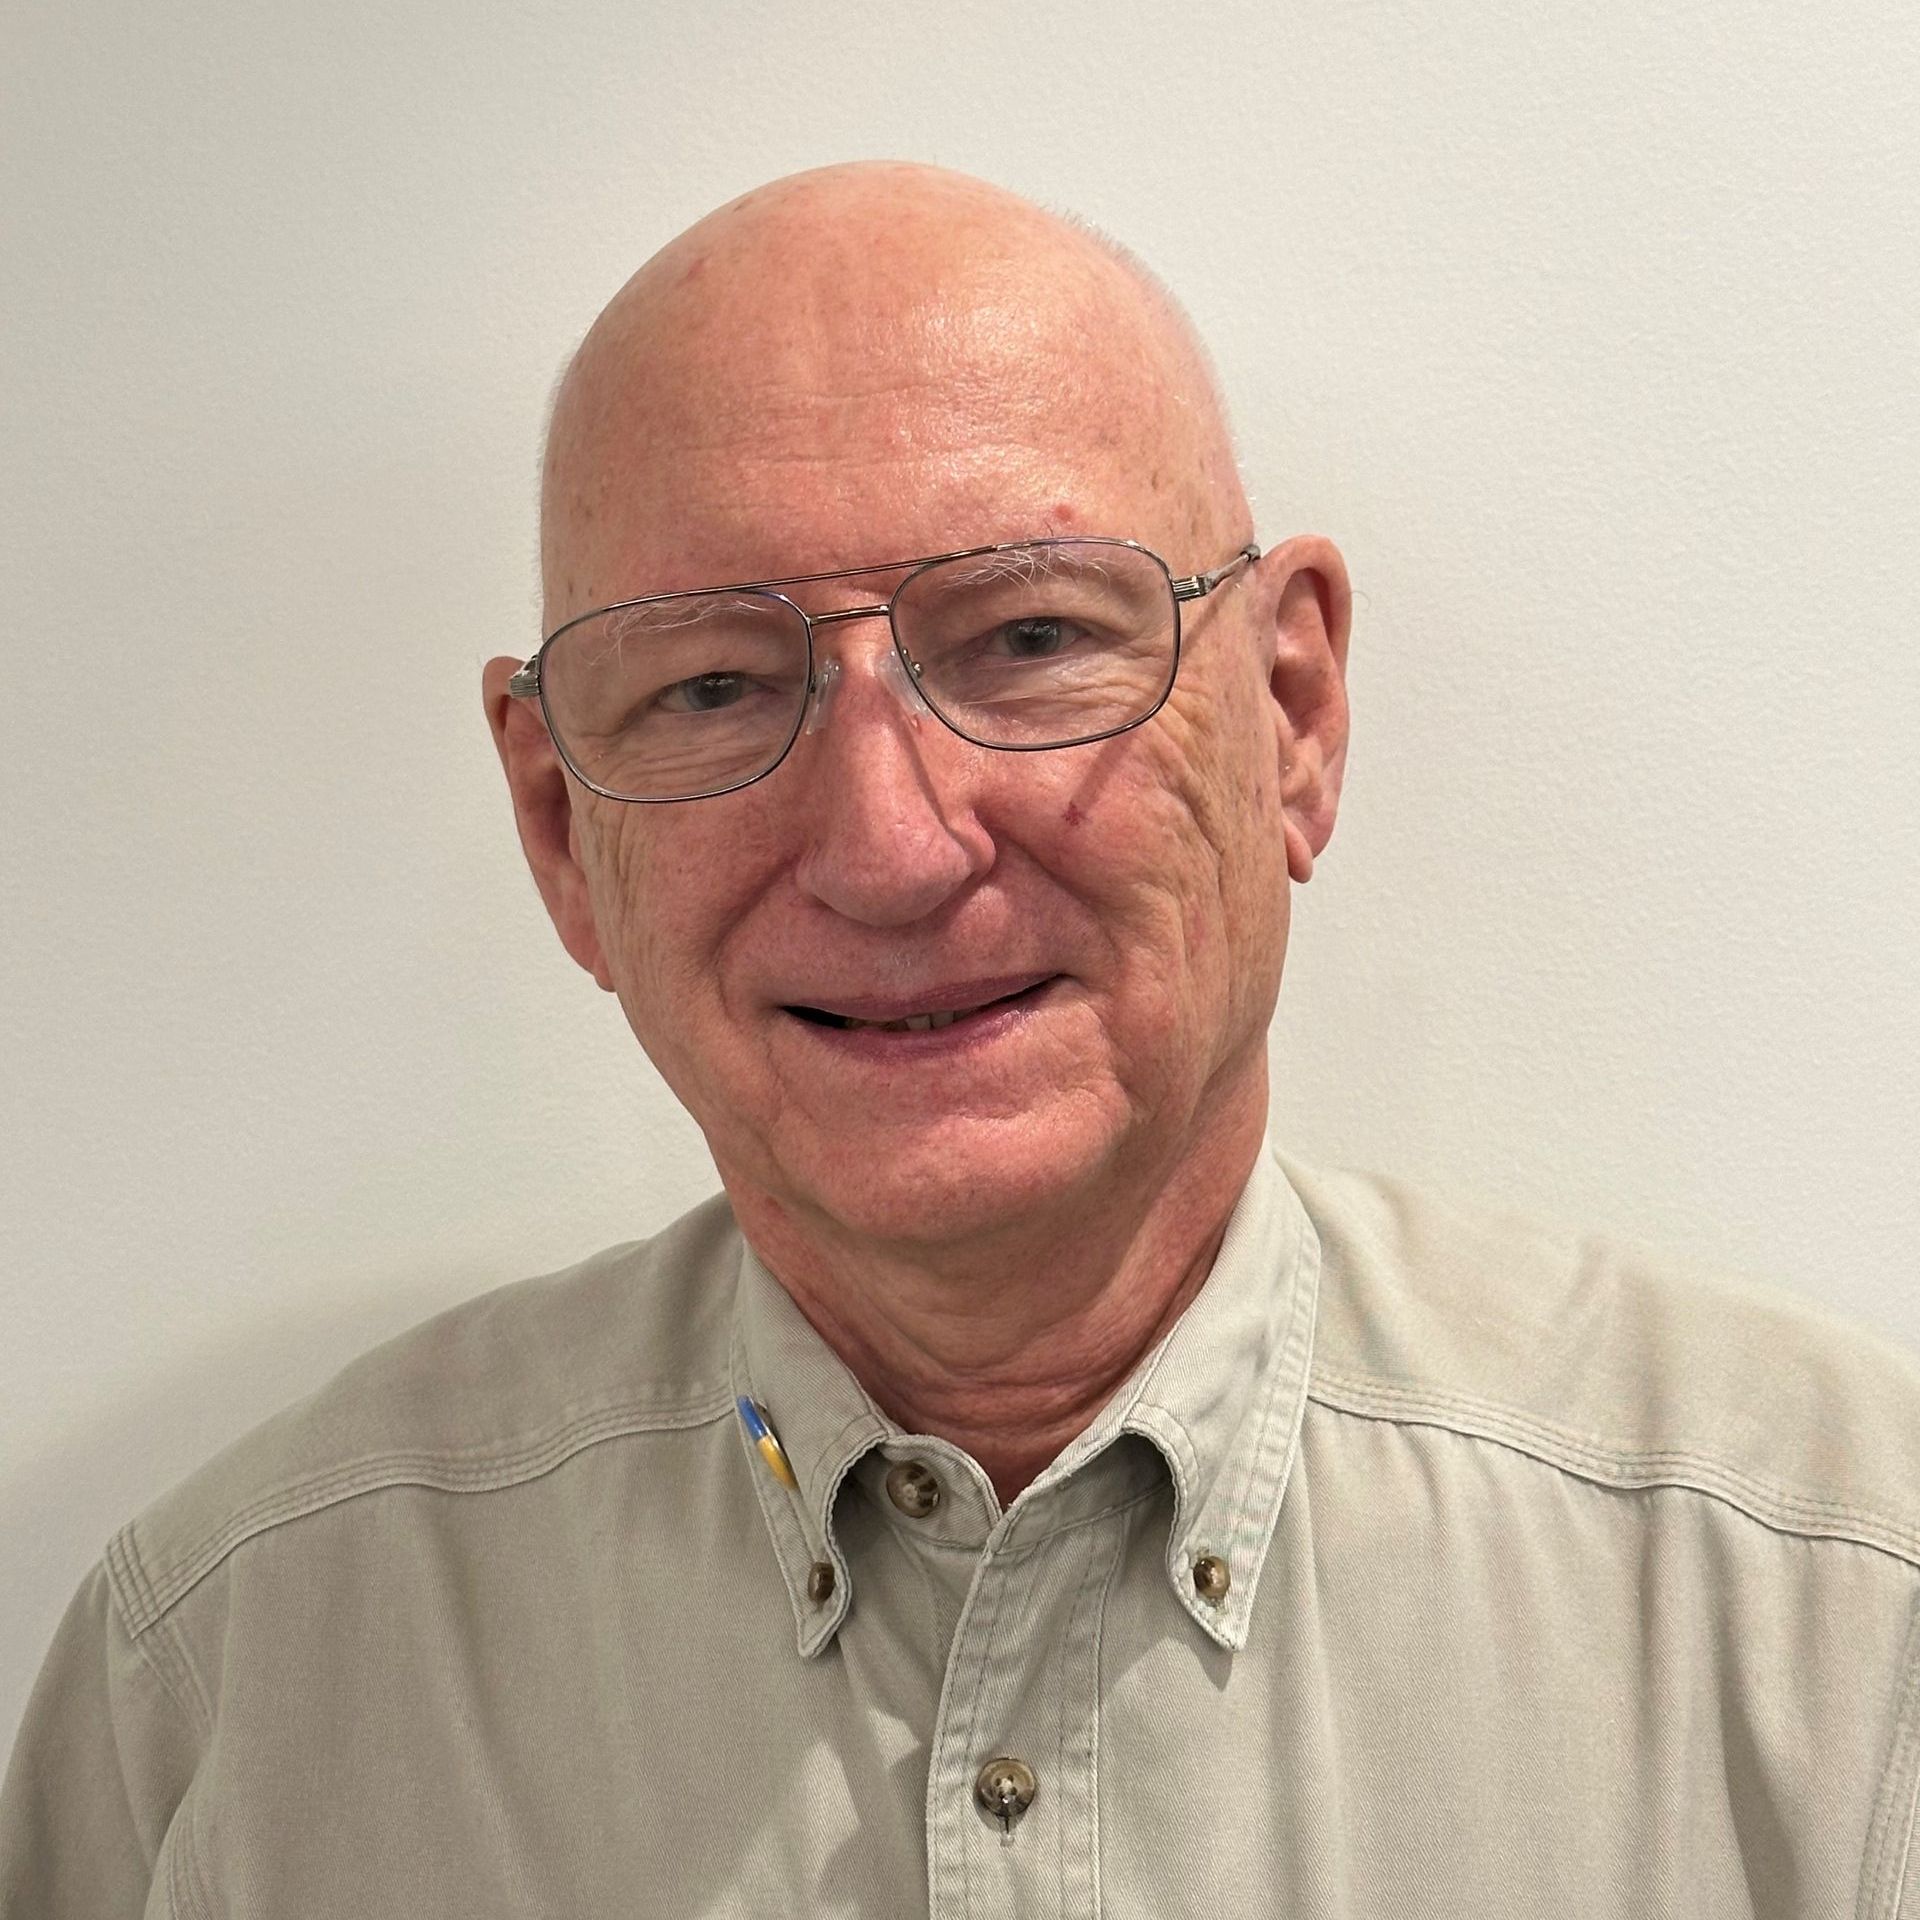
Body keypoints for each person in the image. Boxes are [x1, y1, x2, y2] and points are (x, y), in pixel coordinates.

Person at [4, 161, 1917, 1918]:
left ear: (1295, 718)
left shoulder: (1841, 1623)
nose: (890, 849)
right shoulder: (232, 1689)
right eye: (710, 683)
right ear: (562, 829)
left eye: (1026, 641)